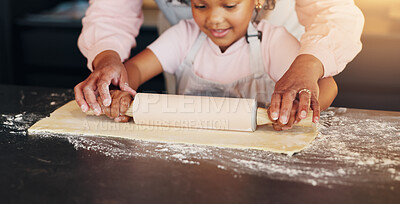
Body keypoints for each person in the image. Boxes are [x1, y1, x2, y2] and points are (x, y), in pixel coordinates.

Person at [75, 0, 363, 128]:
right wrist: (119, 87)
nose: (213, 19)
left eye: (229, 5)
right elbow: (134, 70)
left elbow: (325, 85)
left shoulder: (273, 41)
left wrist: (298, 108)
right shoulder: (184, 36)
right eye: (200, 5)